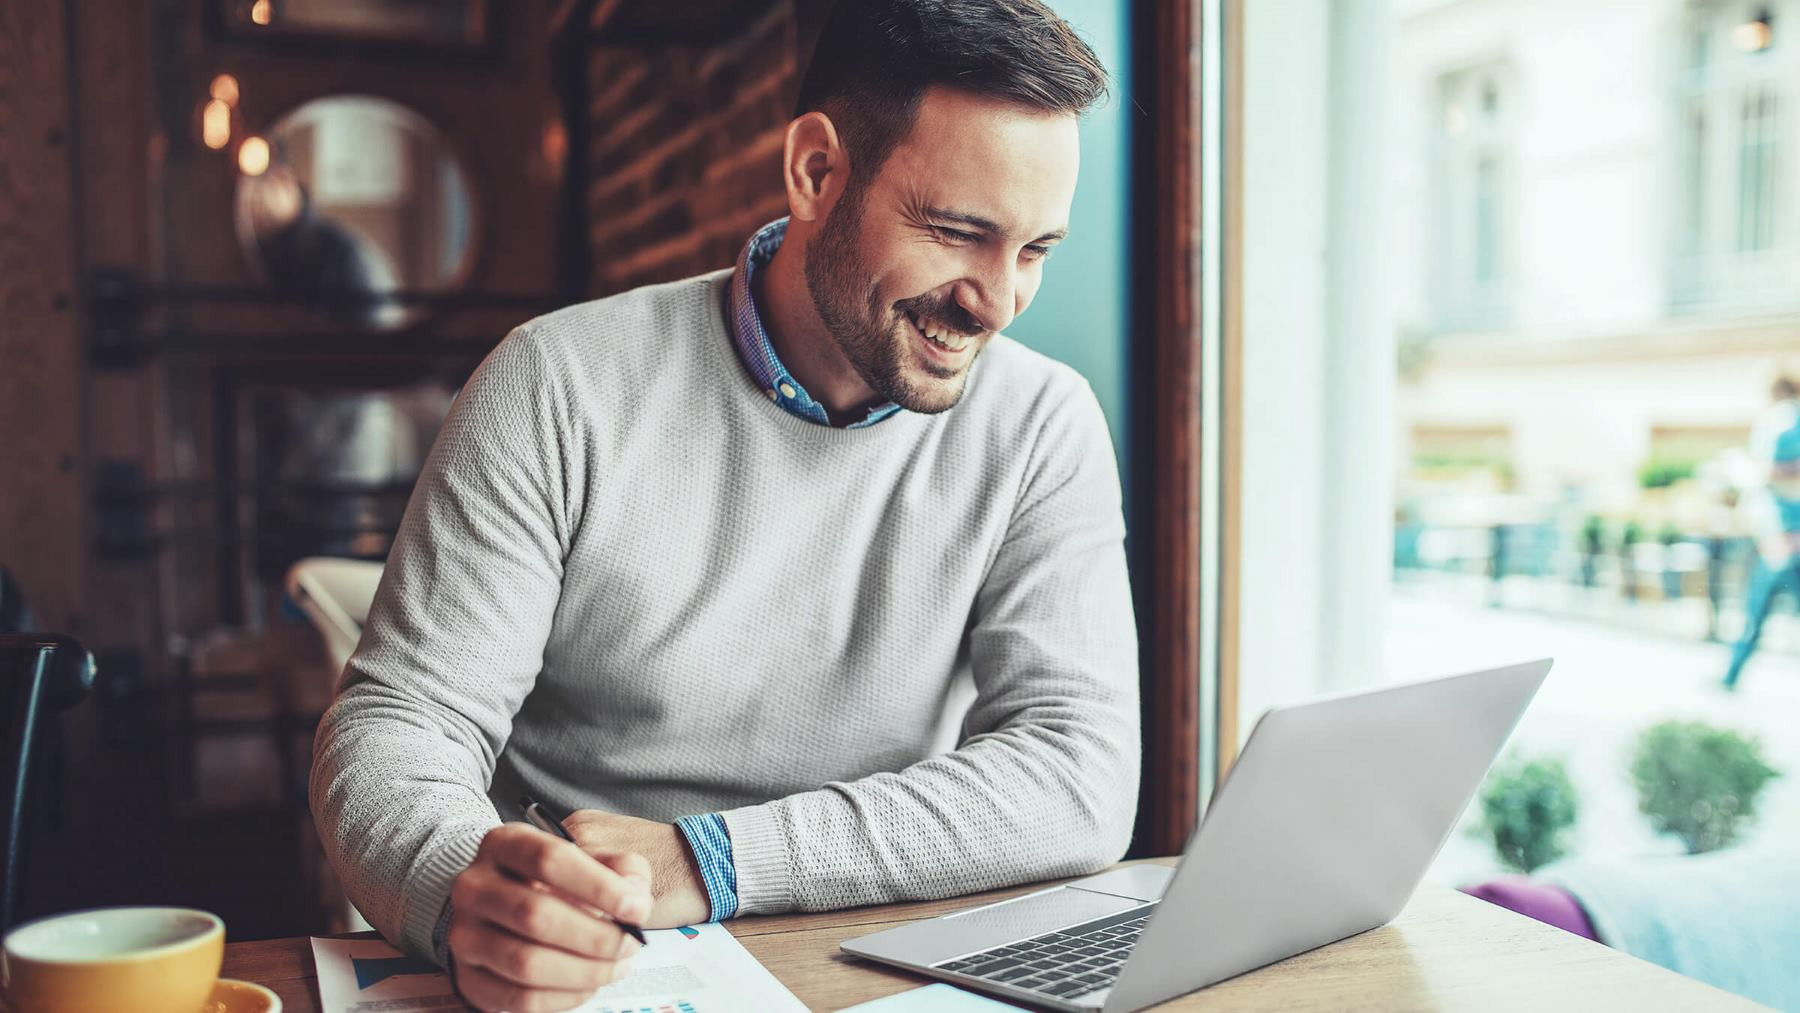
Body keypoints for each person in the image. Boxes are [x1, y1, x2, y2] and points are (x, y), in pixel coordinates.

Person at [307, 3, 1138, 1011]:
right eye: (960, 232)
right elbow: (402, 721)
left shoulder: (1043, 425)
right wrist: (459, 886)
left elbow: (1078, 771)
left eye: (1035, 249)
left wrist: (708, 858)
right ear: (817, 173)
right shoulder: (556, 384)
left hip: (872, 964)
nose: (998, 302)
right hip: (593, 963)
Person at [1722, 375, 1800, 690]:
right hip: (1784, 536)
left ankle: (1731, 675)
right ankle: (1731, 674)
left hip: (1784, 538)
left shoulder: (1782, 422)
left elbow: (1774, 473)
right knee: (1756, 609)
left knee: (1756, 609)